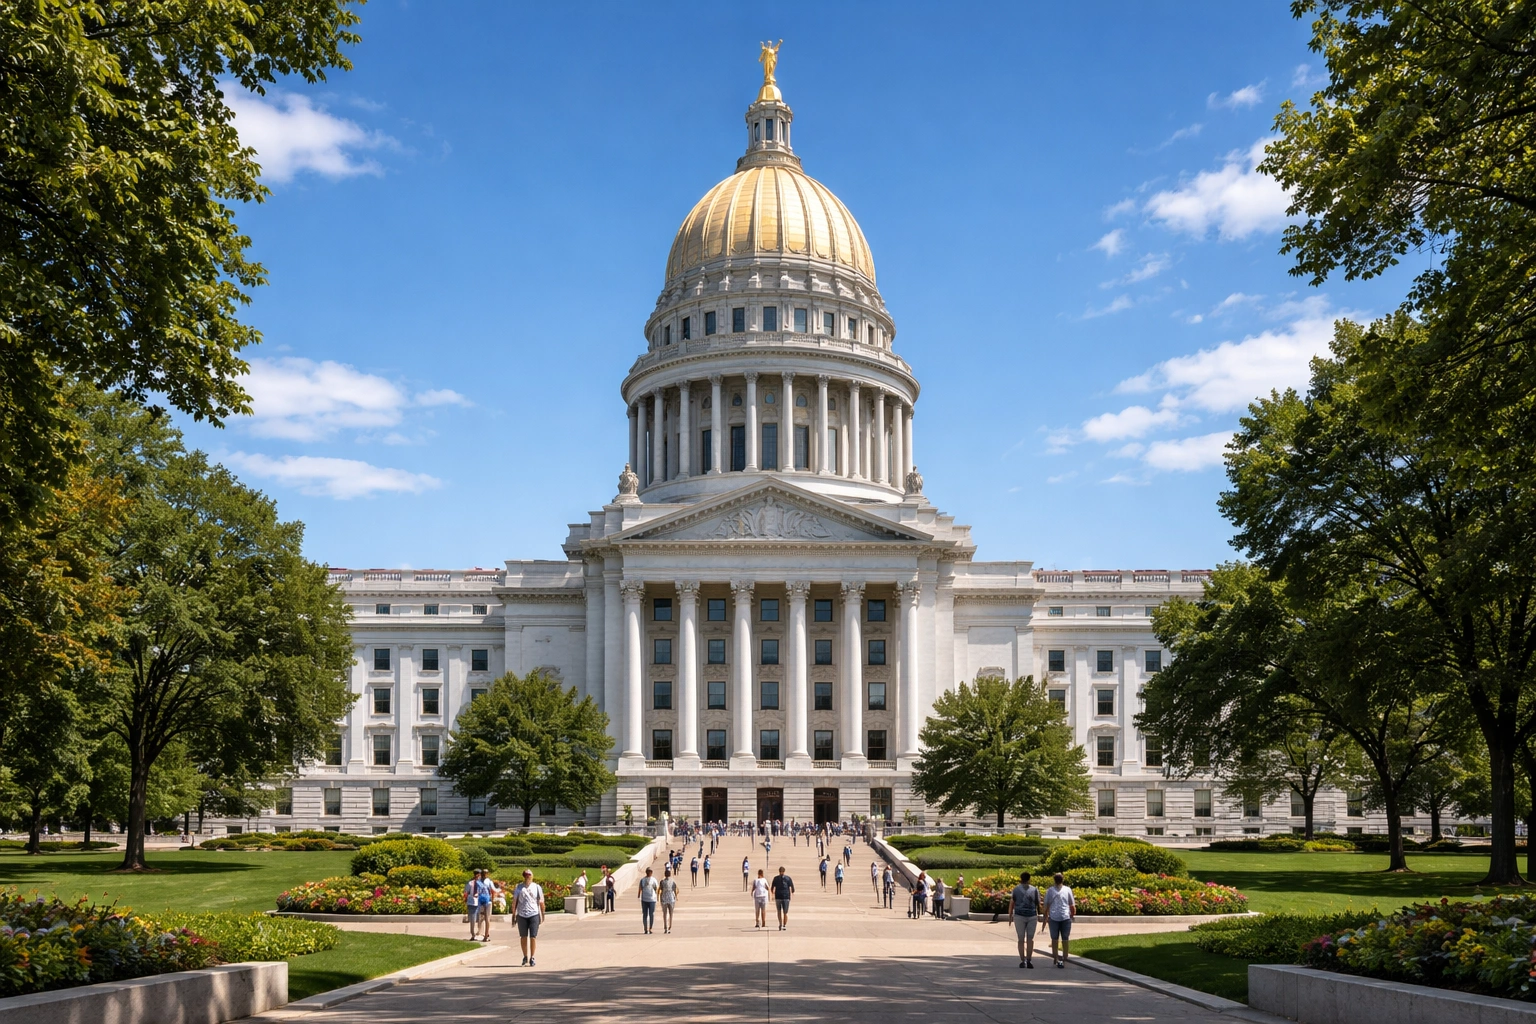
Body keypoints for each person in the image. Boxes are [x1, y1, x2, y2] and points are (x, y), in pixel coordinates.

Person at [1009, 871, 1042, 968]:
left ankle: (1022, 960)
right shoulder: (1034, 889)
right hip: (1032, 916)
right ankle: (1029, 960)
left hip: (1019, 916)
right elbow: (1038, 903)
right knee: (1030, 939)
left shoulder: (1016, 889)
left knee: (1020, 938)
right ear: (1029, 879)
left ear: (1021, 878)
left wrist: (1010, 916)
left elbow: (1012, 902)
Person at [1044, 871, 1076, 968]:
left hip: (1053, 917)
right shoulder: (1068, 890)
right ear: (1063, 879)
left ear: (1054, 880)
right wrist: (1072, 915)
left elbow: (1046, 905)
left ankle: (1055, 957)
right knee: (1065, 938)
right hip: (1065, 917)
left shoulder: (1050, 890)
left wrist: (1045, 916)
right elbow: (1072, 905)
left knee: (1054, 938)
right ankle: (1065, 957)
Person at [514, 869, 545, 967]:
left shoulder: (536, 887)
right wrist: (513, 914)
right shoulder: (519, 887)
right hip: (522, 915)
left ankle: (532, 957)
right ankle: (525, 956)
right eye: (526, 875)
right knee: (523, 936)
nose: (527, 877)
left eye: (529, 875)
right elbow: (515, 901)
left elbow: (541, 902)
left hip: (534, 914)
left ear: (532, 876)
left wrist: (542, 914)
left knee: (533, 936)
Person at [770, 865, 795, 930]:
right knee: (782, 911)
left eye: (782, 872)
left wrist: (791, 892)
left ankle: (783, 924)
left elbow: (772, 888)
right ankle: (781, 924)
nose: (782, 873)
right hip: (783, 896)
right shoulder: (786, 878)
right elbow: (792, 887)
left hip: (782, 896)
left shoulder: (779, 878)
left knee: (783, 912)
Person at [639, 866, 660, 934]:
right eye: (648, 872)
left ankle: (650, 928)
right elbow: (640, 888)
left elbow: (657, 888)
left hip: (652, 899)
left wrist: (658, 896)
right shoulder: (643, 880)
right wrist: (639, 894)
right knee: (645, 914)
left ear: (651, 873)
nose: (649, 873)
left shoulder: (654, 880)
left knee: (651, 914)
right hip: (644, 899)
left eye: (650, 872)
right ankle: (645, 928)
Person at [463, 869, 483, 940]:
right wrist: (465, 900)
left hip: (479, 902)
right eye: (479, 874)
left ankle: (479, 932)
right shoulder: (470, 883)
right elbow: (465, 892)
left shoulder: (480, 883)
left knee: (480, 919)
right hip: (472, 902)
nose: (479, 876)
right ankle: (473, 934)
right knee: (472, 919)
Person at [659, 867, 679, 934]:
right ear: (670, 874)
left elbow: (660, 890)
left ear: (665, 874)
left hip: (664, 898)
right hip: (671, 899)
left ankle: (665, 927)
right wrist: (676, 896)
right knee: (671, 914)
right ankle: (670, 926)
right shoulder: (673, 882)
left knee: (664, 914)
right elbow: (675, 890)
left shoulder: (662, 882)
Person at [476, 869, 494, 940]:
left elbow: (492, 891)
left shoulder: (488, 881)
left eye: (486, 873)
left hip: (488, 901)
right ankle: (481, 933)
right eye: (483, 873)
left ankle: (486, 935)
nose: (484, 874)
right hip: (481, 901)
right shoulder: (478, 882)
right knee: (481, 918)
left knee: (487, 918)